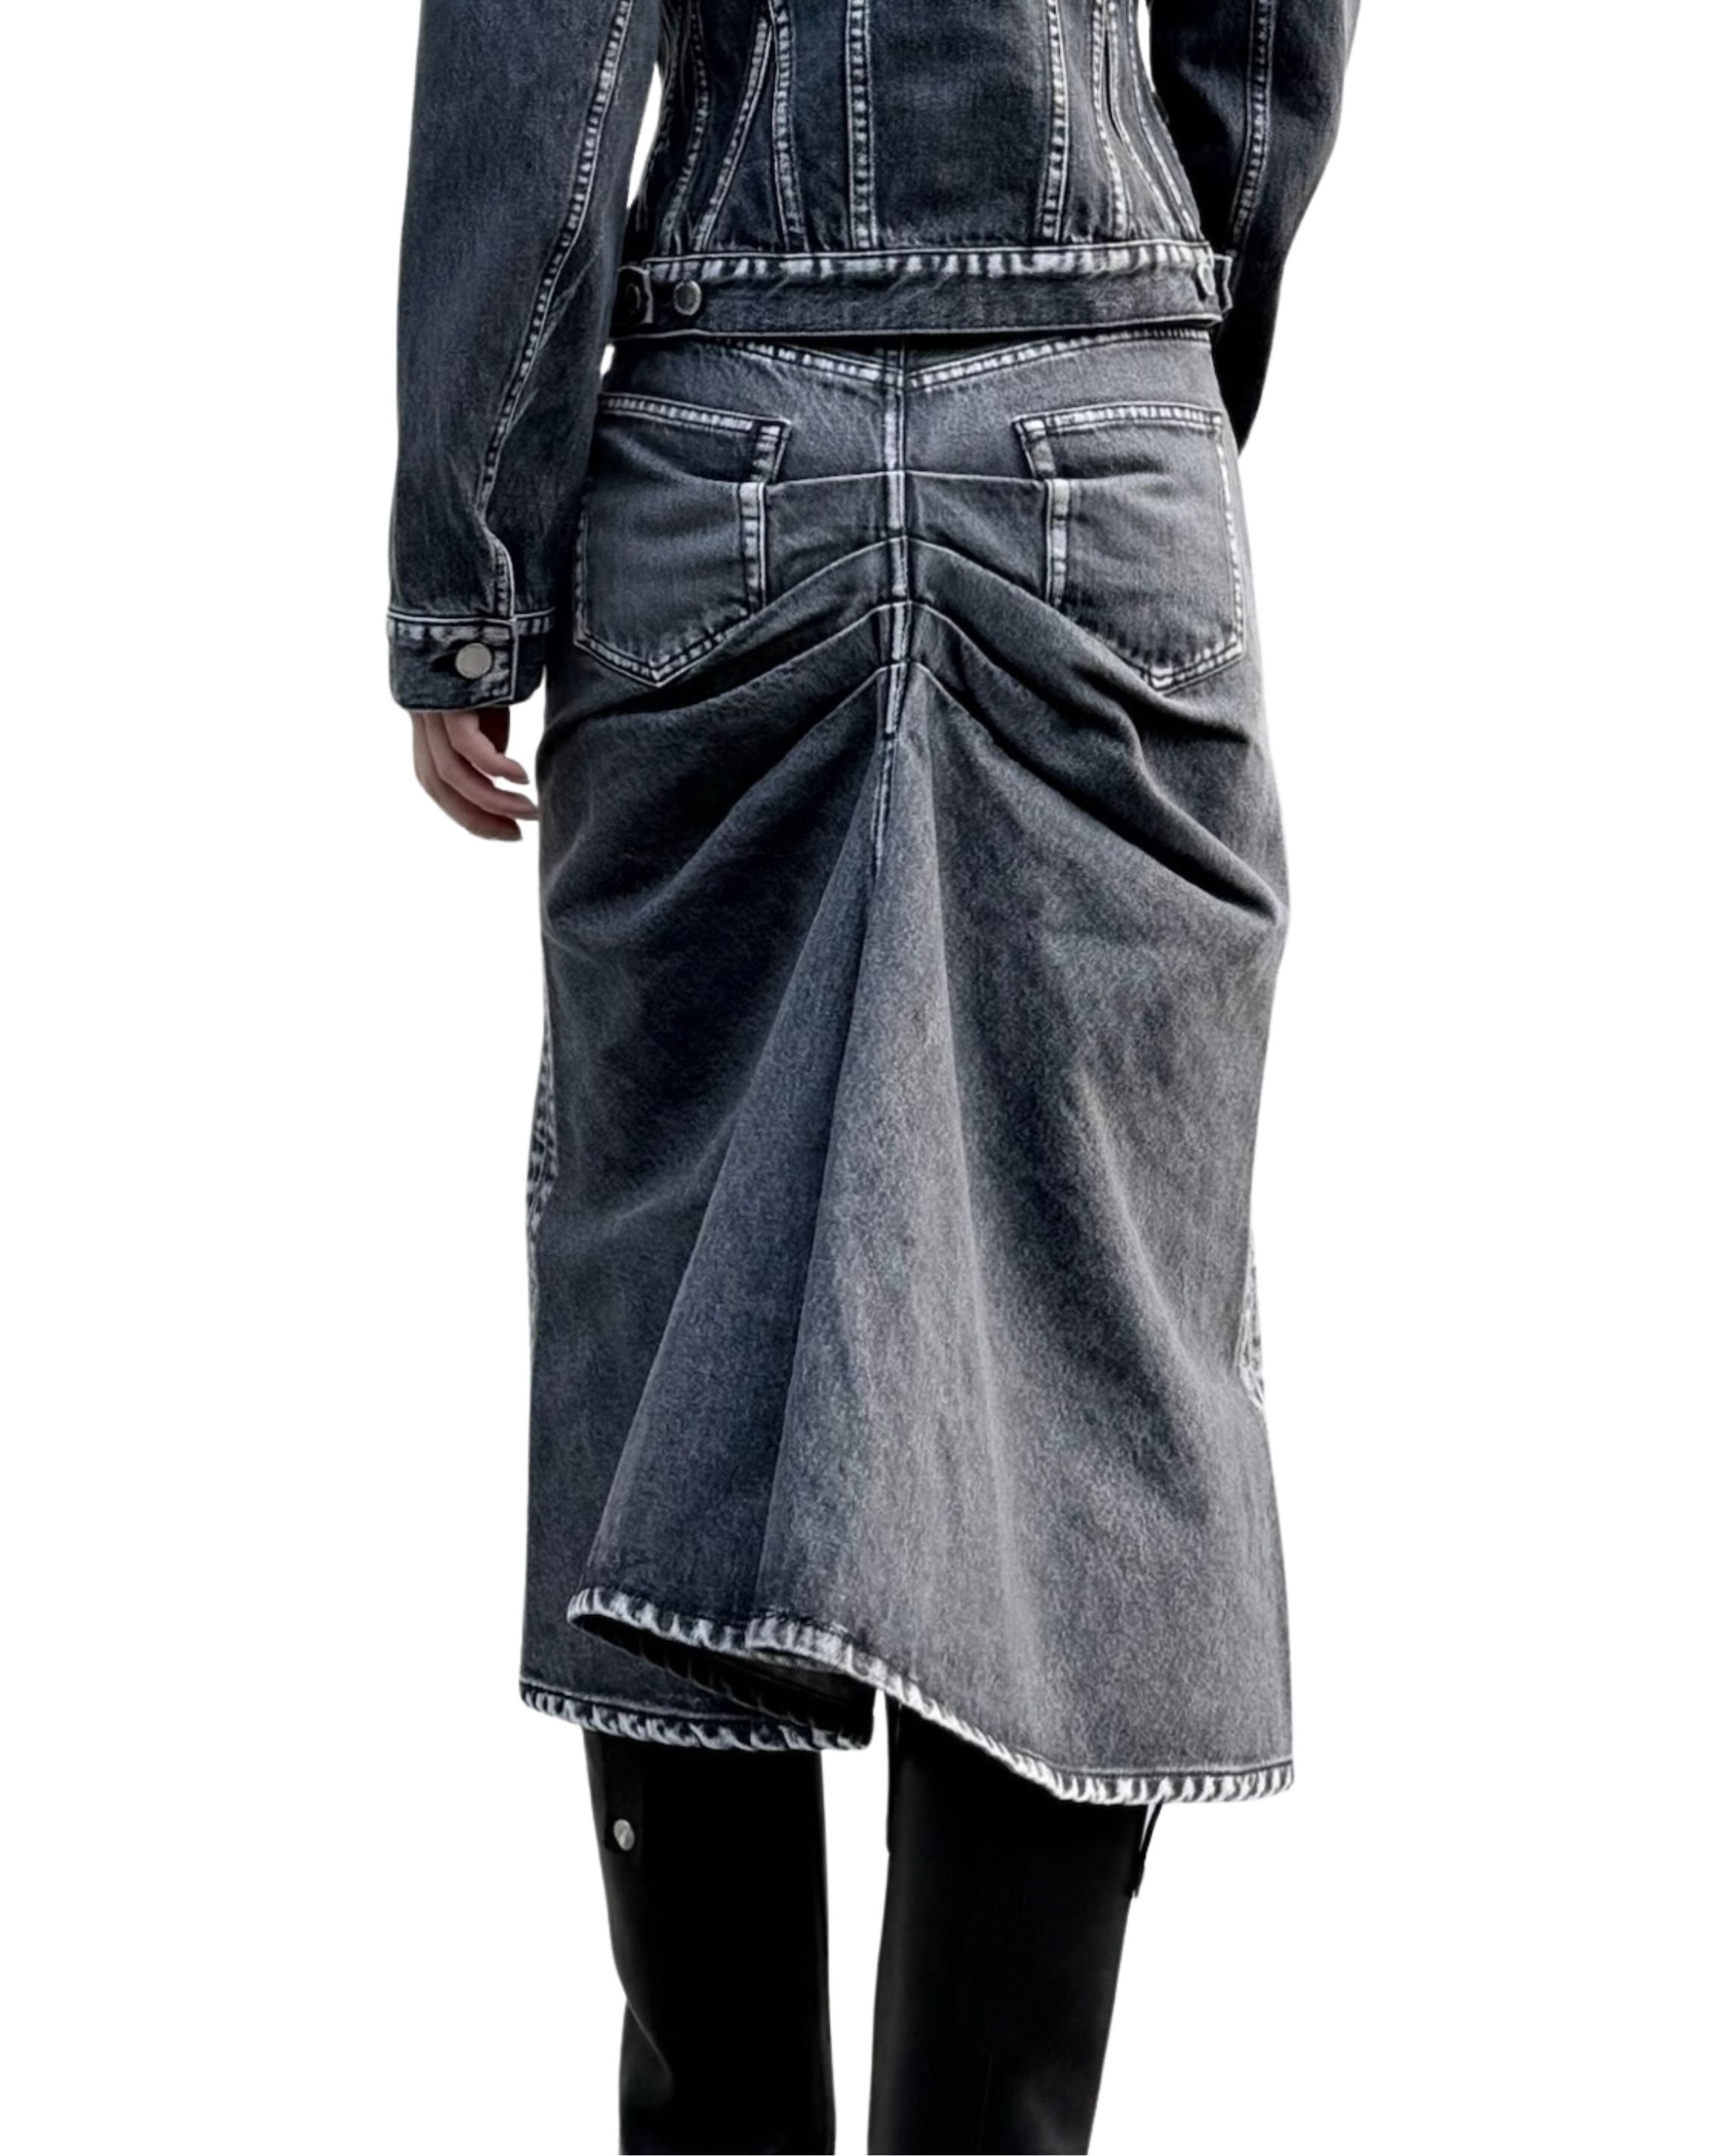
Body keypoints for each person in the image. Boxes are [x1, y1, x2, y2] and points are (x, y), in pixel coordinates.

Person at [388, 2, 1357, 2147]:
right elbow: (1274, 36)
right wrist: (1147, 335)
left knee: (682, 1343)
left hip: (719, 454)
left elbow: (544, 55)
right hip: (1107, 442)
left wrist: (468, 564)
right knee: (1085, 1353)